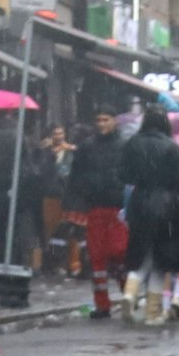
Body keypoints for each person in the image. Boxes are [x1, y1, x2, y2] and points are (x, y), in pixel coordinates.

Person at [120, 108, 179, 324]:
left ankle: (130, 290)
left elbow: (123, 175)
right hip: (166, 205)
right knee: (161, 257)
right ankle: (152, 313)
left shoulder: (133, 143)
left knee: (140, 249)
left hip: (139, 201)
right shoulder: (171, 147)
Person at [67, 103, 129, 297]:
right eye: (98, 120)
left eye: (106, 120)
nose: (102, 124)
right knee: (96, 254)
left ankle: (126, 289)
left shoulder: (125, 145)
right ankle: (102, 303)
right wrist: (73, 203)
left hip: (119, 207)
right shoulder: (87, 147)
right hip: (95, 206)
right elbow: (76, 175)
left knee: (119, 250)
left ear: (114, 121)